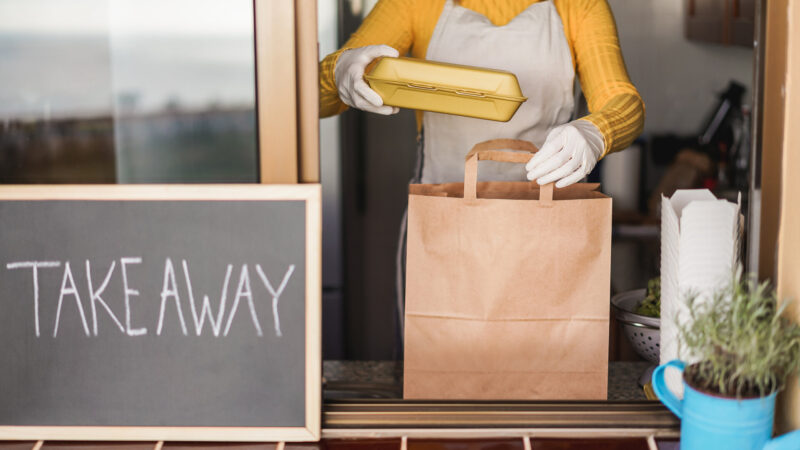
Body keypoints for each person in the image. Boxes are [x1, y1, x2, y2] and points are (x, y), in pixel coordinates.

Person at [319, 0, 644, 342]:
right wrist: (339, 70)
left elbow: (622, 100)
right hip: (441, 230)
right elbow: (315, 99)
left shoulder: (579, 6)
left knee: (544, 375)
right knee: (433, 374)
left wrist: (597, 132)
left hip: (544, 234)